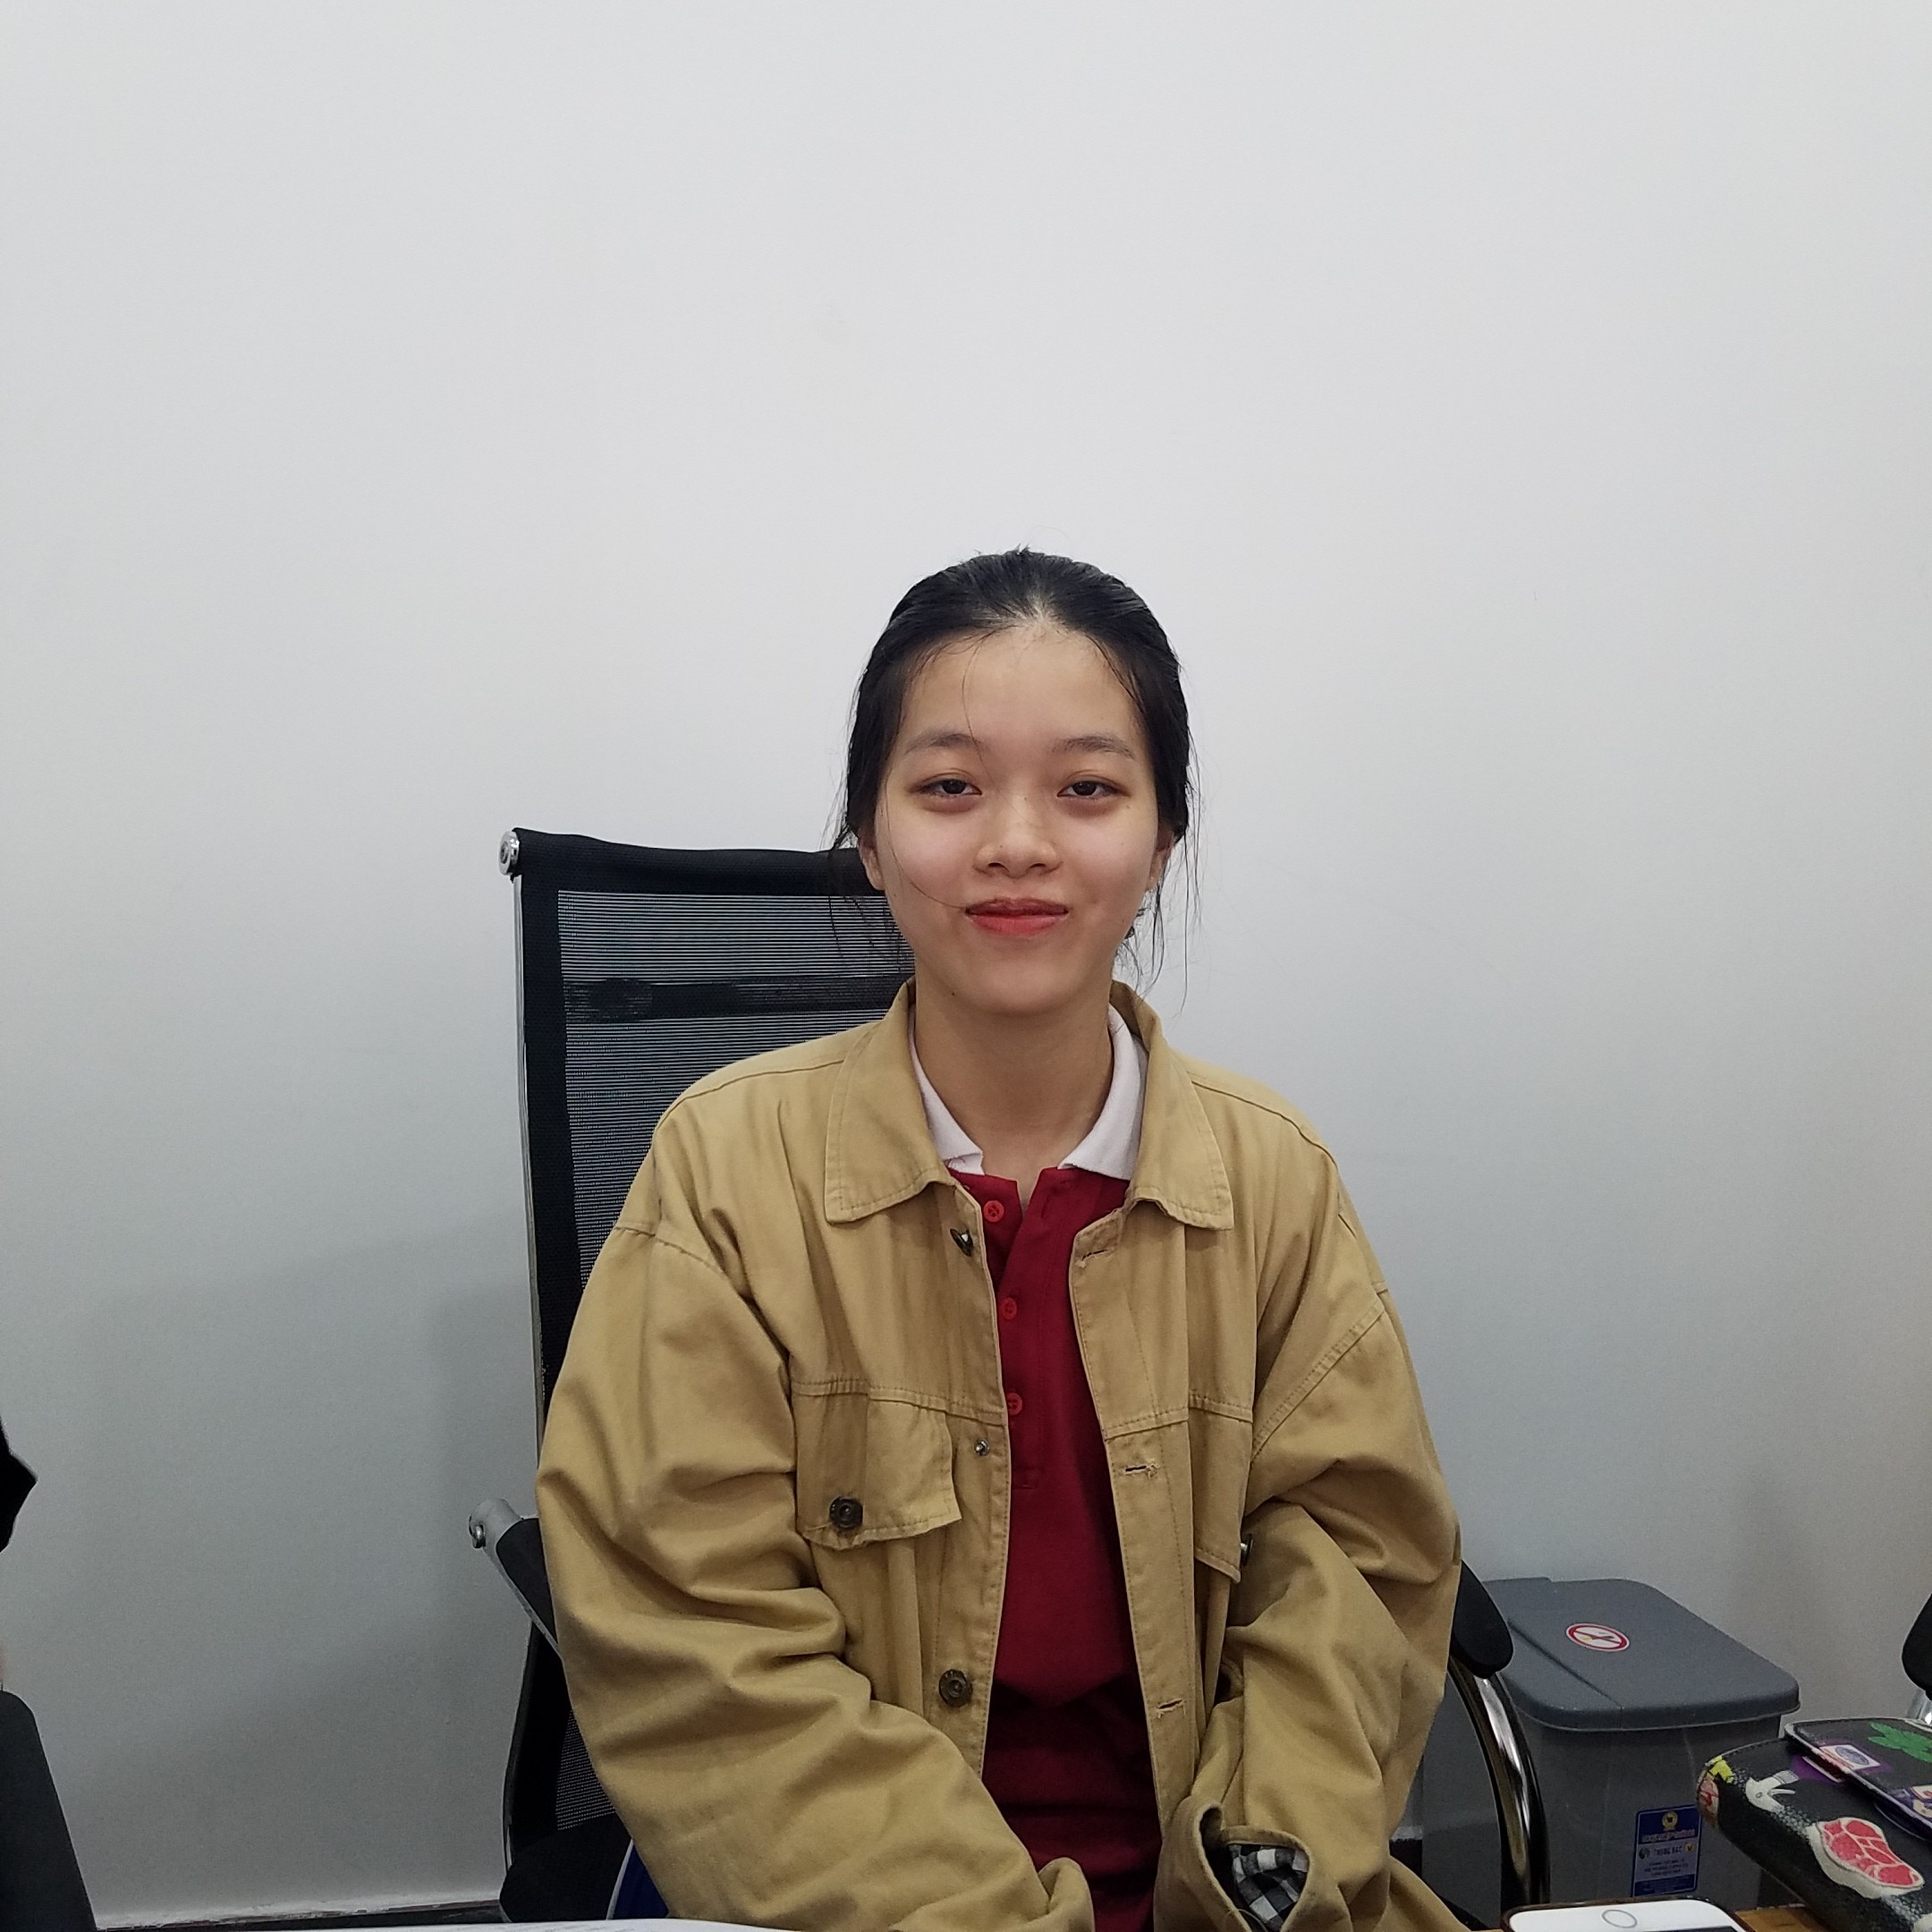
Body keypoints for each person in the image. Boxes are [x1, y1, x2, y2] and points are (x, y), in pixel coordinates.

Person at [537, 551, 1462, 1932]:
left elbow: (1356, 1572)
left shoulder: (1273, 1179)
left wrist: (1249, 1890)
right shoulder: (723, 1178)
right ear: (869, 837)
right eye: (950, 787)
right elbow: (694, 1641)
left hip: (1232, 1897)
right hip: (864, 1903)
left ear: (1161, 841)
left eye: (1087, 789)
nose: (1017, 843)